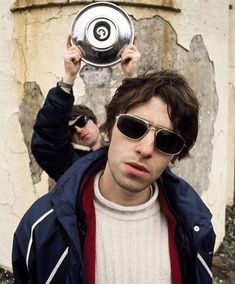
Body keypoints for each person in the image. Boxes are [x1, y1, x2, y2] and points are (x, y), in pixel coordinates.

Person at [12, 70, 216, 284]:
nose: (146, 149)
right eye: (133, 127)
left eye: (167, 141)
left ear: (175, 156)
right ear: (110, 128)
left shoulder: (195, 228)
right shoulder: (42, 227)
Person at [31, 35, 141, 181]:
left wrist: (132, 76)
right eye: (71, 130)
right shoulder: (70, 166)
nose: (78, 130)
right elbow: (47, 138)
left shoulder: (127, 150)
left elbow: (143, 127)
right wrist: (69, 76)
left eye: (81, 121)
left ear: (97, 123)